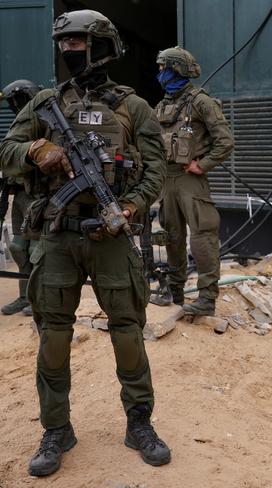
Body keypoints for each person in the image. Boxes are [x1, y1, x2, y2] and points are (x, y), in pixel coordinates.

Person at [0, 10, 170, 476]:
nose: (69, 51)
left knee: (128, 334)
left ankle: (139, 424)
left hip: (112, 236)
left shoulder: (133, 107)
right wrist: (37, 150)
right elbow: (6, 152)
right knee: (53, 336)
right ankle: (57, 430)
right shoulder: (45, 104)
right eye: (64, 44)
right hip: (58, 236)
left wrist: (130, 209)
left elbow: (156, 171)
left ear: (101, 47)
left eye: (78, 43)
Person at [149, 46, 234, 316]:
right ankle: (175, 293)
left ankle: (207, 299)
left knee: (202, 236)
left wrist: (204, 164)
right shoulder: (161, 106)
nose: (160, 73)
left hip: (190, 179)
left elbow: (225, 141)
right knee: (172, 237)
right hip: (167, 180)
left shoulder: (201, 102)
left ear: (177, 69)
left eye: (164, 68)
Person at [0, 79, 40, 316]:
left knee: (36, 248)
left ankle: (38, 298)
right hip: (18, 194)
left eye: (16, 101)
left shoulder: (42, 124)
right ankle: (24, 296)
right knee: (18, 247)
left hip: (35, 196)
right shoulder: (18, 125)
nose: (13, 106)